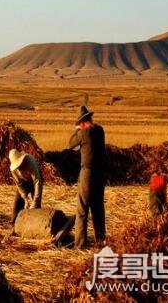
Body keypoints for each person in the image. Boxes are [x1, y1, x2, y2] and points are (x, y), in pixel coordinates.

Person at [67, 105, 106, 248]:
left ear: (82, 122)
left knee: (82, 209)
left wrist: (77, 129)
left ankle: (80, 244)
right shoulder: (100, 130)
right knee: (98, 208)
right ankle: (101, 240)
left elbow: (70, 144)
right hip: (100, 173)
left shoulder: (84, 133)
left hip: (87, 173)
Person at [8, 148, 43, 226]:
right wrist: (25, 199)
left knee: (36, 206)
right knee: (17, 201)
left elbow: (37, 182)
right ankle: (14, 224)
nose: (19, 167)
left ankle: (37, 225)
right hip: (24, 182)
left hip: (35, 181)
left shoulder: (30, 162)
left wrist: (34, 202)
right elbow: (19, 184)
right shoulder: (14, 170)